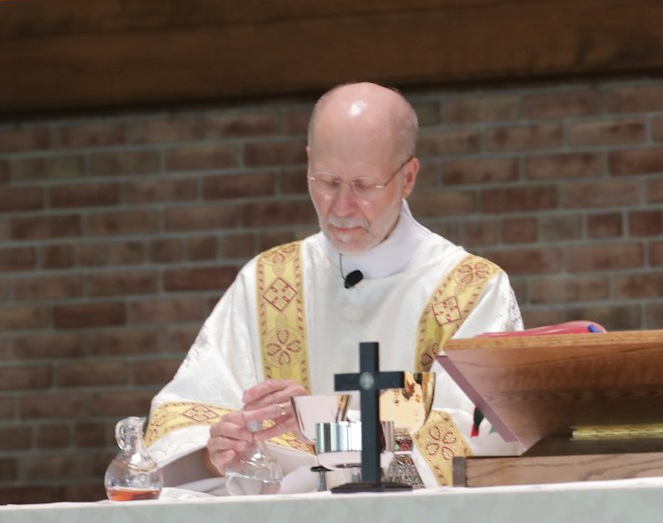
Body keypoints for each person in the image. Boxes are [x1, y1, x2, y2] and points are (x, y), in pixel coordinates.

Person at [146, 82, 523, 490]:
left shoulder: (469, 290)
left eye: (363, 186)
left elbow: (473, 438)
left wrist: (329, 424)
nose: (341, 207)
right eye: (326, 181)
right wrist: (213, 452)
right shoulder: (267, 283)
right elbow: (182, 416)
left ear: (409, 177)